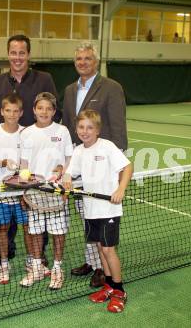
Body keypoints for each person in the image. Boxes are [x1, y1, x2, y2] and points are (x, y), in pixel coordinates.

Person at [0, 35, 59, 264]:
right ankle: (5, 254)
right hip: (5, 157)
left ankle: (38, 253)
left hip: (34, 159)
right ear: (8, 55)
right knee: (5, 217)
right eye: (13, 53)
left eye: (22, 53)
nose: (17, 57)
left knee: (34, 209)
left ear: (28, 54)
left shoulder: (44, 79)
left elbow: (56, 110)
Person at [62, 41, 127, 288]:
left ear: (96, 61)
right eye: (79, 58)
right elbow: (69, 126)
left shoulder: (111, 87)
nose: (83, 62)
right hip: (79, 161)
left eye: (87, 58)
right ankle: (92, 262)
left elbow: (118, 127)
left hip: (103, 166)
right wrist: (68, 163)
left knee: (100, 217)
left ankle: (103, 270)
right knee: (86, 215)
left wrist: (117, 170)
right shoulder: (69, 90)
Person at [63, 109, 133, 313]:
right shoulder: (78, 151)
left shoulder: (107, 147)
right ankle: (109, 285)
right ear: (76, 129)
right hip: (90, 209)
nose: (85, 131)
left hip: (109, 209)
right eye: (81, 127)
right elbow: (70, 171)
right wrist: (66, 177)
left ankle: (119, 291)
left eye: (90, 127)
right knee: (101, 249)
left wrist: (121, 189)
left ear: (97, 130)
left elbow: (127, 167)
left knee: (109, 250)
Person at [19, 92, 73, 290]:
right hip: (34, 191)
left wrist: (65, 181)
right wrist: (22, 191)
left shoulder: (63, 131)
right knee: (35, 232)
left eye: (48, 108)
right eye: (40, 108)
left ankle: (57, 269)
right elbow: (23, 166)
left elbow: (69, 160)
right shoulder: (26, 133)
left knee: (58, 232)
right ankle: (36, 267)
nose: (44, 112)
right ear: (34, 110)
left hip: (56, 191)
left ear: (54, 111)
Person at [0, 93, 33, 284]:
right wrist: (3, 162)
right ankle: (4, 263)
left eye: (15, 111)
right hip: (1, 191)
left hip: (22, 191)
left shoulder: (26, 133)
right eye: (8, 111)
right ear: (2, 112)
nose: (12, 114)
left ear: (21, 113)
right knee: (3, 228)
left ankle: (31, 261)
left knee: (28, 227)